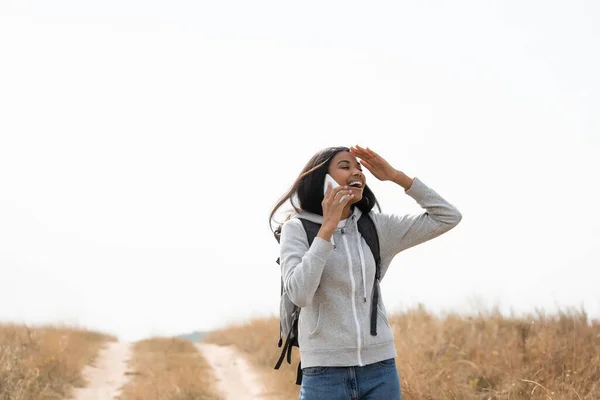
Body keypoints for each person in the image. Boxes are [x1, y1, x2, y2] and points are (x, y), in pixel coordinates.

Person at [269, 145, 462, 400]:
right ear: (322, 179)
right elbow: (300, 295)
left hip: (380, 370)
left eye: (359, 168)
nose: (357, 172)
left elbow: (448, 216)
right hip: (324, 373)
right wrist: (326, 229)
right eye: (345, 166)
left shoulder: (376, 226)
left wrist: (396, 176)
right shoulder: (297, 229)